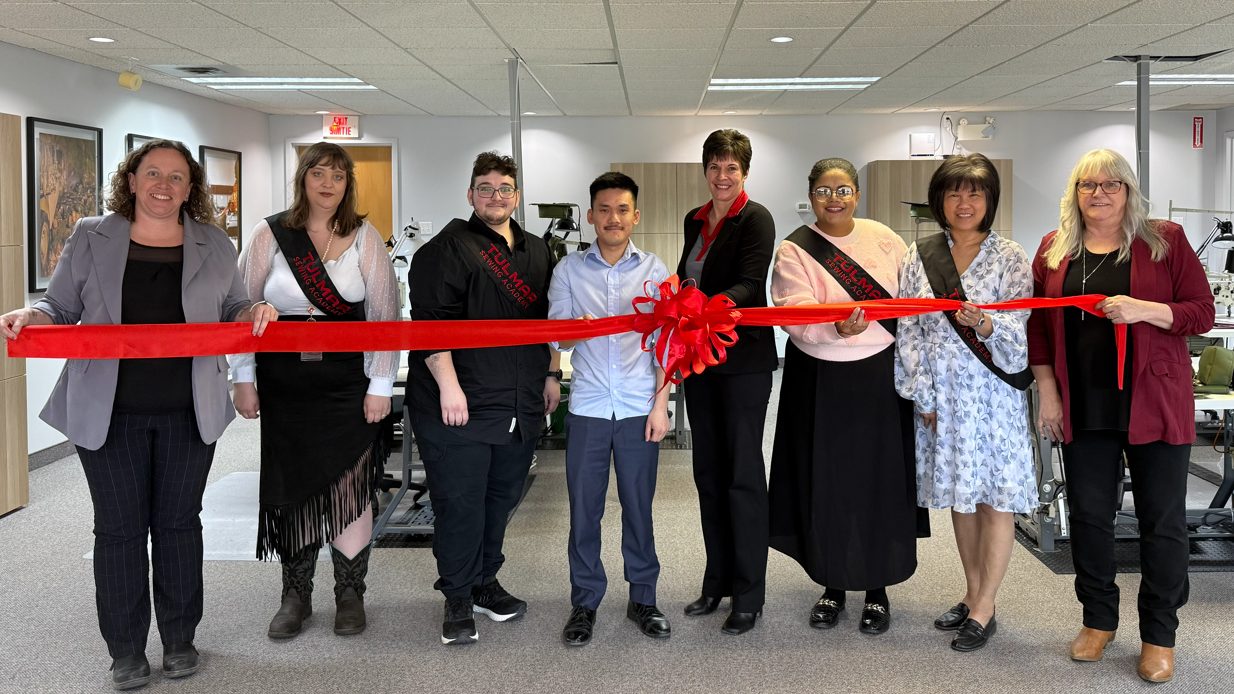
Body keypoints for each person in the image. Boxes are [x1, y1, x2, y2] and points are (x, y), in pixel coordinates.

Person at [0, 140, 266, 690]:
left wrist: (254, 310)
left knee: (178, 525)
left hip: (189, 411)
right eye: (152, 174)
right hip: (109, 412)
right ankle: (125, 649)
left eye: (176, 177)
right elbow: (62, 308)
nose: (163, 185)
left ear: (191, 187)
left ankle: (179, 639)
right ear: (132, 179)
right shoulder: (90, 235)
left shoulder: (214, 243)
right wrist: (33, 314)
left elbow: (233, 306)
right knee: (119, 530)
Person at [1028, 148, 1214, 683]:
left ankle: (1159, 634)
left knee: (1162, 521)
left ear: (1128, 190)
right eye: (1088, 185)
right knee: (1088, 517)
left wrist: (1144, 310)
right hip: (1082, 402)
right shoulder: (1054, 249)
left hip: (1153, 400)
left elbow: (1201, 311)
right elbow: (1039, 327)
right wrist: (1048, 392)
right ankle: (1098, 620)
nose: (1099, 193)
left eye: (1111, 184)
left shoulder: (1166, 240)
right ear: (1075, 193)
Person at [230, 142, 399, 640]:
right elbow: (241, 308)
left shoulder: (365, 237)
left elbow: (385, 317)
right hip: (286, 386)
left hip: (347, 386)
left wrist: (381, 385)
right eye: (318, 173)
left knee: (350, 488)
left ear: (349, 185)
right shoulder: (271, 233)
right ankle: (295, 594)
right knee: (294, 489)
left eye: (339, 176)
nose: (328, 184)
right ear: (303, 178)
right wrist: (243, 378)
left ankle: (350, 592)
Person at [408, 151, 560, 646]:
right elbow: (431, 324)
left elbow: (547, 325)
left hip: (518, 401)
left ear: (516, 196)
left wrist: (551, 374)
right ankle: (456, 596)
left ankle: (483, 582)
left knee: (501, 500)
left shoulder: (538, 252)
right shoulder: (445, 249)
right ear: (470, 194)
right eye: (485, 188)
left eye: (504, 189)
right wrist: (449, 386)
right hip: (459, 402)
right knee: (460, 502)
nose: (496, 196)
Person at [768, 158, 920, 636]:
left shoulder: (885, 239)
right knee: (826, 483)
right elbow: (793, 310)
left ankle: (877, 588)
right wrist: (833, 325)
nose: (834, 199)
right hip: (819, 377)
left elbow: (911, 302)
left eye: (844, 190)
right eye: (824, 191)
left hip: (880, 377)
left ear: (857, 193)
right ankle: (832, 584)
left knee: (878, 483)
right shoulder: (794, 249)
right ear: (810, 195)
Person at [895, 153, 1036, 652]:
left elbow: (1024, 335)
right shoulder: (920, 255)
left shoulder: (1011, 257)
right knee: (961, 499)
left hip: (993, 399)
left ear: (990, 200)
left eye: (975, 192)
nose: (964, 202)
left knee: (994, 499)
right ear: (939, 200)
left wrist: (988, 324)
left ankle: (985, 605)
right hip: (944, 402)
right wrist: (922, 396)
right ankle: (973, 591)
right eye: (954, 192)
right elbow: (907, 329)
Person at [547, 172, 671, 646]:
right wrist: (580, 328)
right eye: (604, 209)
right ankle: (585, 601)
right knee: (585, 510)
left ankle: (643, 596)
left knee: (639, 507)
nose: (613, 218)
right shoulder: (568, 271)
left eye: (622, 209)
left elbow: (667, 347)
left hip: (641, 407)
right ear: (591, 215)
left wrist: (661, 407)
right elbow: (558, 336)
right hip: (591, 408)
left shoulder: (656, 272)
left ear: (635, 215)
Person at [677, 129, 778, 635]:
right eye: (715, 166)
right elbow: (685, 277)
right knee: (708, 473)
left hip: (742, 364)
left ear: (744, 172)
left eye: (731, 168)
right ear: (705, 169)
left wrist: (696, 307)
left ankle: (748, 593)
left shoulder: (755, 217)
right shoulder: (696, 219)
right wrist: (678, 302)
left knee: (741, 474)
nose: (722, 176)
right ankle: (715, 581)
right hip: (699, 361)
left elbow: (750, 284)